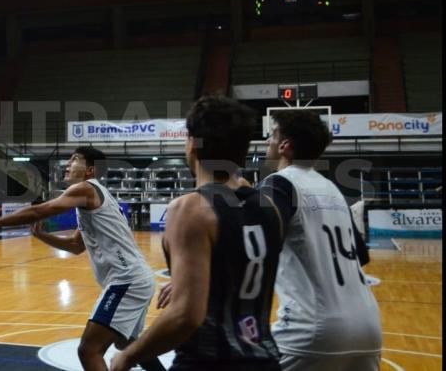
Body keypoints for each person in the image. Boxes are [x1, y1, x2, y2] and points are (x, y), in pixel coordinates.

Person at [111, 96, 284, 371]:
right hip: (266, 359)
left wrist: (128, 356)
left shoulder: (191, 208)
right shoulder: (269, 208)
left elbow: (186, 315)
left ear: (192, 143)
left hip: (209, 361)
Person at [0, 147, 163, 371]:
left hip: (127, 280)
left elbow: (41, 210)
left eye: (75, 159)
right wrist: (43, 235)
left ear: (90, 170)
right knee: (127, 343)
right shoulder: (95, 195)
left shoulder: (85, 189)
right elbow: (76, 246)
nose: (68, 163)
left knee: (88, 350)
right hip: (136, 278)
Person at [261, 110, 381, 370]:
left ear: (285, 146)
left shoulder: (278, 184)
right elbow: (362, 255)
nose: (267, 142)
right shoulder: (332, 188)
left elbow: (259, 247)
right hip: (369, 325)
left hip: (312, 328)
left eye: (271, 136)